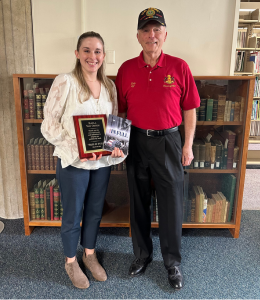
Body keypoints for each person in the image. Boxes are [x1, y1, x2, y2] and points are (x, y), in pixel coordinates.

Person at [115, 8, 200, 290]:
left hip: (169, 141)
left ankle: (172, 262)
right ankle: (141, 256)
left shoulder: (179, 67)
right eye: (146, 30)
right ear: (138, 36)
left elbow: (189, 109)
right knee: (138, 201)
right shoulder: (126, 69)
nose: (152, 35)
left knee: (171, 203)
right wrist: (116, 144)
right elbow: (121, 110)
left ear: (165, 34)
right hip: (137, 141)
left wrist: (187, 145)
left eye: (157, 29)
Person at [41, 31, 125, 289]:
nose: (92, 56)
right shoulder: (65, 81)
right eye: (87, 50)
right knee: (73, 213)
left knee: (95, 211)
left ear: (103, 56)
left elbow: (114, 124)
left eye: (97, 51)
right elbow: (48, 125)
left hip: (100, 164)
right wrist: (77, 147)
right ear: (77, 54)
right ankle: (70, 261)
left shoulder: (110, 86)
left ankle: (89, 254)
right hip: (74, 162)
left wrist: (117, 146)